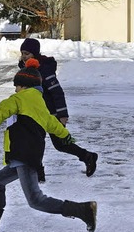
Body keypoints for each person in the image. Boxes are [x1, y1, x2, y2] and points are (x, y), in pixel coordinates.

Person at [0, 59, 97, 232]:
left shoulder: (20, 99)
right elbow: (53, 123)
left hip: (24, 155)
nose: (15, 90)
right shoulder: (40, 104)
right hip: (24, 156)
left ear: (24, 86)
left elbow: (2, 109)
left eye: (17, 86)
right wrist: (65, 136)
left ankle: (83, 210)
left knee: (36, 200)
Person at [18, 38, 98, 183]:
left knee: (60, 144)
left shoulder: (44, 70)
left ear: (35, 54)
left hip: (51, 114)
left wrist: (62, 114)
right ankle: (38, 173)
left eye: (27, 53)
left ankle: (88, 157)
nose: (24, 56)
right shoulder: (25, 70)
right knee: (36, 142)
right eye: (22, 53)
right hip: (36, 115)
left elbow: (57, 92)